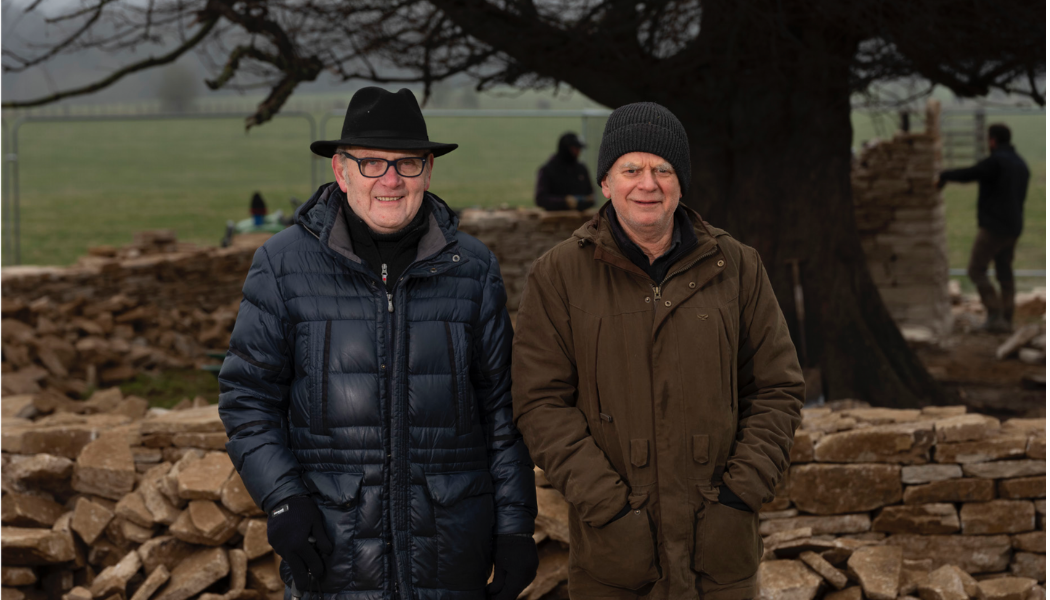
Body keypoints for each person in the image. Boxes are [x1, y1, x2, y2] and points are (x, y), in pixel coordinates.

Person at [218, 87, 538, 600]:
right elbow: (247, 398)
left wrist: (516, 527)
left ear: (428, 172)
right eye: (371, 163)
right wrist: (283, 499)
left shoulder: (473, 269)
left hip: (452, 555)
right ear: (341, 171)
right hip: (333, 554)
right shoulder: (282, 265)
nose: (390, 180)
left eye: (407, 163)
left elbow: (503, 411)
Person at [512, 102, 805, 600]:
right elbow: (540, 403)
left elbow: (777, 388)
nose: (647, 184)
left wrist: (739, 496)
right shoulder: (558, 275)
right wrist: (608, 508)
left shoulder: (737, 266)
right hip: (614, 561)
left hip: (719, 556)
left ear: (681, 183)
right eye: (631, 169)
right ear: (606, 183)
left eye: (663, 170)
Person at [939, 123, 1030, 333]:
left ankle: (994, 314)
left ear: (993, 140)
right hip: (1014, 226)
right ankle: (1007, 318)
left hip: (993, 227)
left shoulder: (996, 162)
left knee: (976, 269)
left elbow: (971, 173)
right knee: (1004, 271)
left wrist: (945, 175)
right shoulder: (1021, 164)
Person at [535, 132, 596, 210]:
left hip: (580, 216)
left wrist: (585, 201)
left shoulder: (581, 169)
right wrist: (564, 201)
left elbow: (591, 195)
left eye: (579, 149)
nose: (578, 152)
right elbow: (541, 199)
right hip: (554, 216)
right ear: (565, 149)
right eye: (575, 148)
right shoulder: (548, 170)